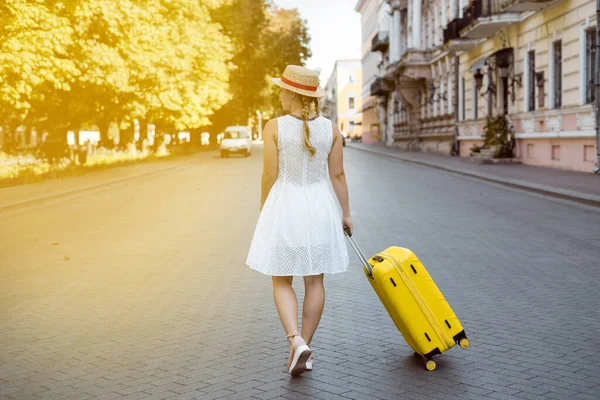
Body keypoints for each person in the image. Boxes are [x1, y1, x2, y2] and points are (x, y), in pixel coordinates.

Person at [246, 65, 352, 377]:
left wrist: (264, 208)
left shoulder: (274, 126)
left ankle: (295, 340)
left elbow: (269, 174)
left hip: (286, 205)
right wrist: (346, 213)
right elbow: (338, 175)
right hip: (320, 208)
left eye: (281, 89)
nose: (278, 93)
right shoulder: (331, 129)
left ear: (292, 93)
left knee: (281, 280)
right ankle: (304, 344)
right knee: (315, 281)